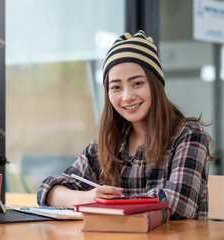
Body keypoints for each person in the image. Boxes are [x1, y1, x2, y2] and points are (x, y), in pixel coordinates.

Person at [37, 30, 211, 220]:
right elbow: (48, 190)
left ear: (156, 84)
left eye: (137, 83)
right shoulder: (110, 142)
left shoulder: (189, 134)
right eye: (116, 87)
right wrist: (86, 197)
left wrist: (107, 203)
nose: (127, 96)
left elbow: (179, 204)